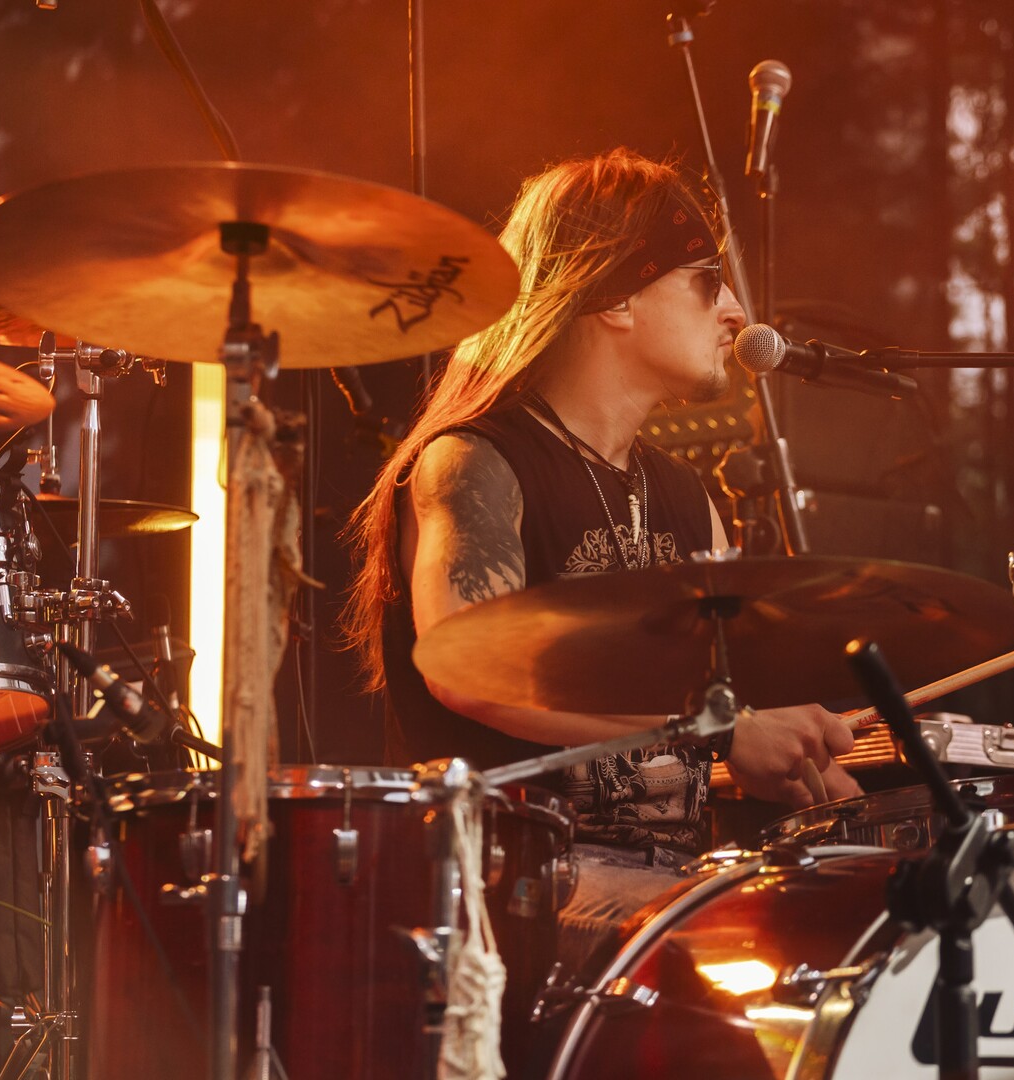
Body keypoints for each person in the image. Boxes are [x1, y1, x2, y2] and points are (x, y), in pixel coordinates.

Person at [342, 147, 859, 969]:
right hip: (513, 894)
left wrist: (822, 779)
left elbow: (734, 718)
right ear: (617, 297)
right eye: (707, 280)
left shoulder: (686, 498)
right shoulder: (475, 461)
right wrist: (727, 732)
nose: (735, 312)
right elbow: (466, 670)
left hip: (674, 891)